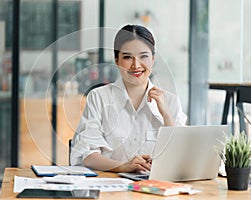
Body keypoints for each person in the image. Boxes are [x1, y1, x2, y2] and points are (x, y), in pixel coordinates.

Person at [70, 24, 187, 173]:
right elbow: (86, 155)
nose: (136, 65)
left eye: (143, 56)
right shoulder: (99, 97)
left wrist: (166, 115)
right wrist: (123, 166)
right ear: (116, 60)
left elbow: (181, 158)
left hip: (155, 191)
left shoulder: (170, 101)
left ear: (153, 59)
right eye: (127, 57)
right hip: (110, 189)